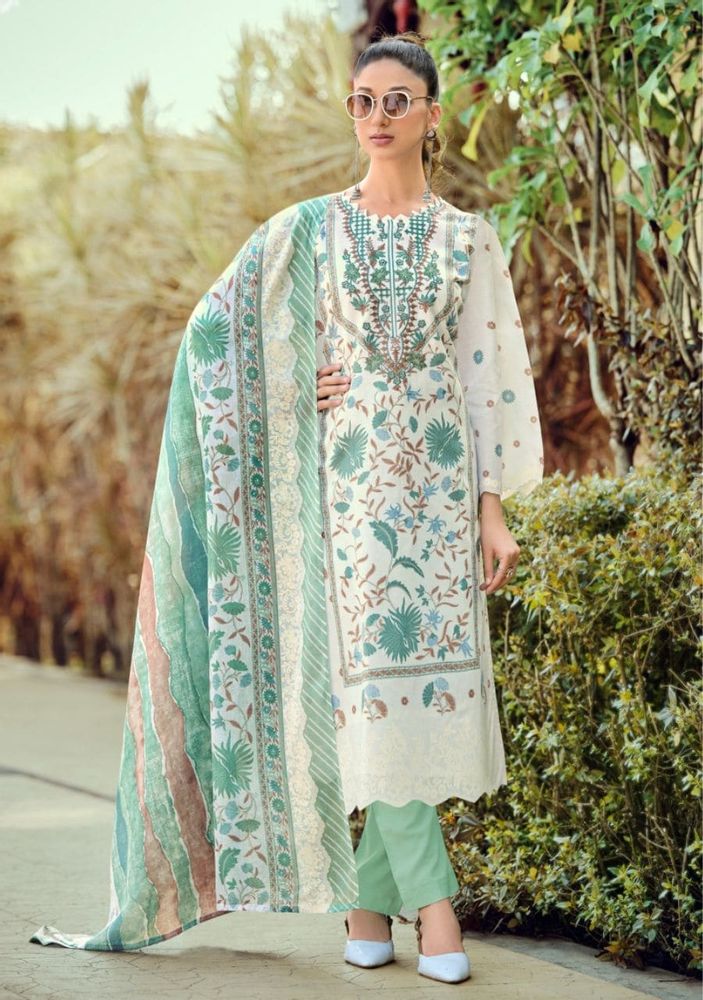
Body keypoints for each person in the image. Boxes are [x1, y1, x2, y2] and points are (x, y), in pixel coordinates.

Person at [29, 31, 543, 987]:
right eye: (361, 101)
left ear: (431, 115)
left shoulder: (466, 239)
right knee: (374, 703)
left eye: (395, 100)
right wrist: (286, 384)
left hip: (436, 505)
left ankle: (365, 907)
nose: (376, 117)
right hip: (343, 506)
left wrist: (491, 510)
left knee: (413, 703)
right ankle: (436, 911)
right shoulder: (309, 232)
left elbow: (490, 379)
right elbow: (213, 340)